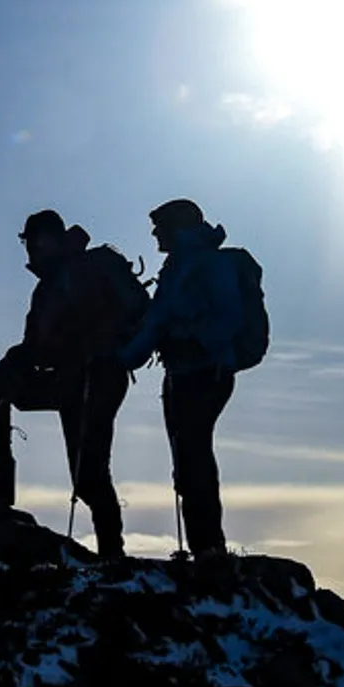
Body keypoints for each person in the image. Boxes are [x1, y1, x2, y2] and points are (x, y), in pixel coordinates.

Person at [0, 211, 136, 561]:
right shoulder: (52, 283)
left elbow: (74, 334)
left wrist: (82, 351)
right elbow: (37, 344)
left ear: (48, 240)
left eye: (31, 241)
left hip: (96, 379)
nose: (28, 250)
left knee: (89, 474)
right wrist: (17, 359)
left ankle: (113, 555)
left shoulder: (81, 271)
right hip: (70, 380)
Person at [119, 198, 244, 560]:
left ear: (177, 227)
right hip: (186, 373)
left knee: (193, 454)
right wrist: (123, 358)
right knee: (189, 455)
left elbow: (229, 319)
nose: (155, 233)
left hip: (204, 373)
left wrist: (187, 334)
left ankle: (209, 548)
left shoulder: (204, 264)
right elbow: (157, 325)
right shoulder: (180, 266)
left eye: (159, 227)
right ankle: (204, 546)